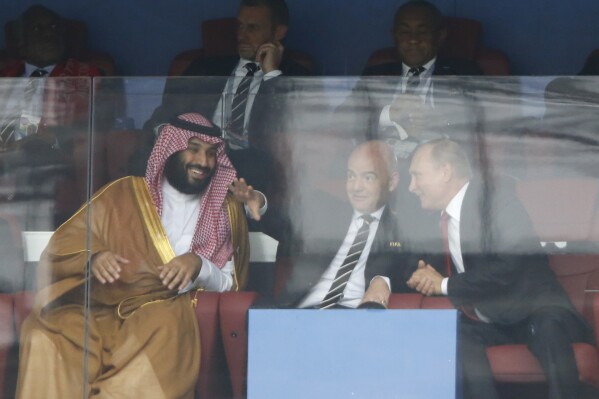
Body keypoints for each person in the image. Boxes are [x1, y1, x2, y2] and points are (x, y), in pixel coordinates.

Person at [15, 113, 266, 398]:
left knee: (163, 328)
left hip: (162, 312)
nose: (203, 162)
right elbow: (65, 243)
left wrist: (199, 265)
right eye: (193, 148)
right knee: (45, 336)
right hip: (101, 306)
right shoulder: (123, 193)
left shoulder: (225, 209)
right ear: (171, 148)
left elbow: (231, 283)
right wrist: (93, 258)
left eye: (210, 153)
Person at [406, 138, 593, 399]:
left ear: (445, 172)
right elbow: (414, 262)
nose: (411, 186)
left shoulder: (496, 200)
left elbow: (510, 266)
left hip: (535, 310)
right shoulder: (436, 220)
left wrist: (444, 284)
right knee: (454, 336)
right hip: (491, 319)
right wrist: (420, 276)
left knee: (547, 327)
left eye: (416, 176)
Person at [144, 0, 310, 193]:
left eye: (252, 28)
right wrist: (170, 140)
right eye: (239, 26)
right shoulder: (204, 68)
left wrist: (271, 74)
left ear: (278, 32)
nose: (242, 35)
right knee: (142, 156)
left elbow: (295, 125)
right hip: (198, 153)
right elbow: (164, 114)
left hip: (251, 160)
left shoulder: (297, 78)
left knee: (252, 165)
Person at [272, 140, 417, 308]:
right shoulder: (324, 212)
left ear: (391, 182)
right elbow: (279, 222)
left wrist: (382, 280)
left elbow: (408, 270)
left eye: (368, 177)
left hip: (354, 318)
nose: (356, 187)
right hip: (301, 312)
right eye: (351, 176)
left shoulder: (400, 228)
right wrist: (259, 203)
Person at [336, 0, 481, 159]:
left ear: (440, 36)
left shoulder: (464, 73)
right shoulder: (376, 74)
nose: (413, 39)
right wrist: (389, 114)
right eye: (405, 32)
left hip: (441, 165)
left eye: (422, 32)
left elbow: (488, 120)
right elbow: (342, 119)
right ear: (394, 36)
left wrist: (440, 119)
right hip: (384, 165)